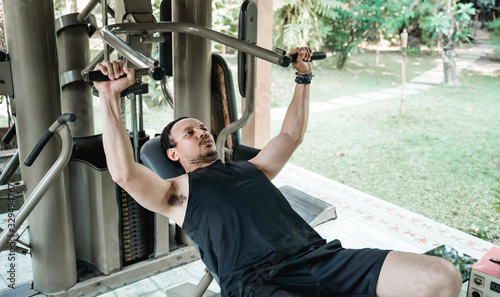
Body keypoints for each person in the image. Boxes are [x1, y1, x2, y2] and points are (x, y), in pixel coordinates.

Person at [94, 48, 462, 297]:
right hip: (260, 284)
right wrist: (110, 98)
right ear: (172, 152)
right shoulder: (176, 193)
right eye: (189, 133)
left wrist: (304, 77)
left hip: (322, 259)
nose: (202, 132)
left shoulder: (252, 168)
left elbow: (290, 135)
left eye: (202, 127)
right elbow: (124, 173)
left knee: (441, 277)